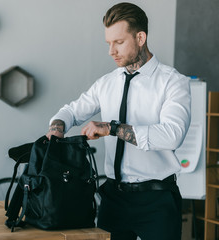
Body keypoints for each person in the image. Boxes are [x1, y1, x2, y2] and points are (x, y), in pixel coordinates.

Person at [46, 2, 191, 240]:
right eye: (109, 43)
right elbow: (70, 111)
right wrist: (57, 128)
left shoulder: (173, 83)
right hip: (113, 199)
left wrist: (112, 128)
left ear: (141, 37)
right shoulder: (107, 83)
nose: (111, 51)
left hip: (157, 200)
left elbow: (172, 135)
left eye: (119, 42)